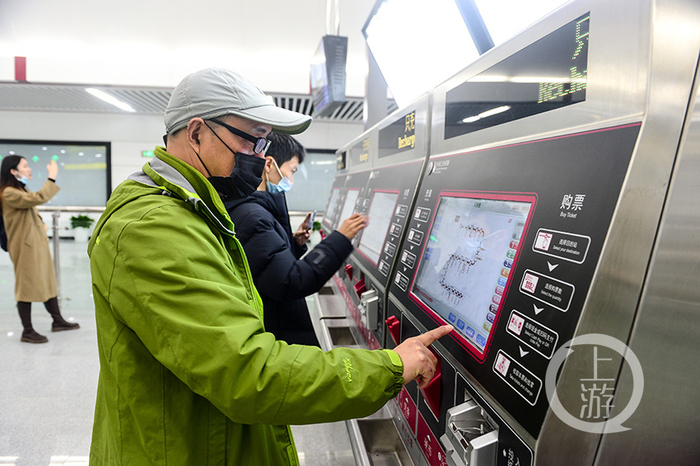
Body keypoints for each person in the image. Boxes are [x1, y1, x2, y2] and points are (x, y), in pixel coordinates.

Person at [87, 67, 451, 466]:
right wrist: (390, 366)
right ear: (196, 133)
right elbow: (248, 375)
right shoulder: (154, 228)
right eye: (251, 139)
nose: (260, 157)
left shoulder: (195, 208)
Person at [225, 133, 366, 346]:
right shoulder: (253, 216)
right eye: (292, 171)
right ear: (269, 164)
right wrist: (341, 238)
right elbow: (291, 281)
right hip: (278, 333)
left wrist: (294, 243)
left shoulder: (259, 209)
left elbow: (267, 261)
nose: (292, 180)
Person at [0, 156, 80, 344]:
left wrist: (40, 224)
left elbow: (29, 211)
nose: (29, 169)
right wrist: (51, 177)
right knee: (25, 286)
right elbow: (37, 198)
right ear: (13, 171)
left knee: (47, 280)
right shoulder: (9, 193)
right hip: (24, 246)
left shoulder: (20, 189)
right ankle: (27, 331)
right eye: (25, 166)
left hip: (36, 243)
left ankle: (57, 320)